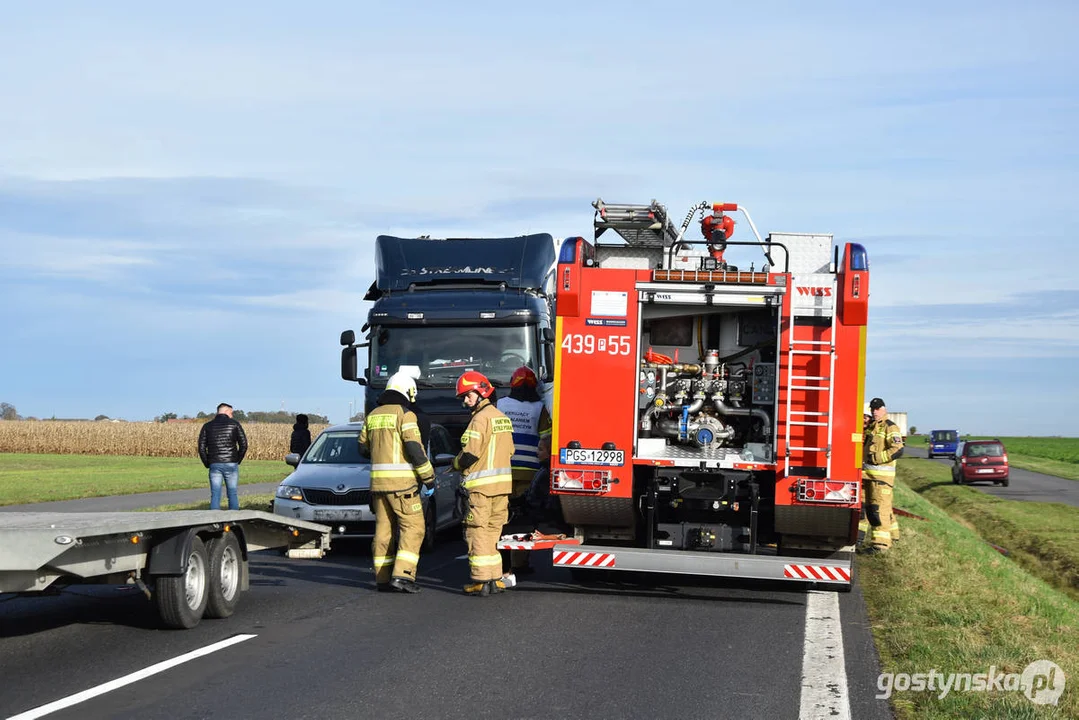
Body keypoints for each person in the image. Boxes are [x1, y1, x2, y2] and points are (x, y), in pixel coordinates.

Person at [358, 370, 436, 593]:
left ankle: (382, 578)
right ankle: (403, 576)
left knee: (384, 531)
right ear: (408, 391)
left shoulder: (372, 415)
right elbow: (415, 449)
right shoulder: (406, 415)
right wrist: (428, 478)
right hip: (403, 486)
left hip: (378, 487)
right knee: (414, 528)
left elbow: (362, 447)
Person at [454, 370, 515, 596]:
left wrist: (455, 463)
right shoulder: (502, 418)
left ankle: (480, 581)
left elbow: (470, 454)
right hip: (502, 488)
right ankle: (494, 579)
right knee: (492, 533)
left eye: (467, 396)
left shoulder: (479, 420)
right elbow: (510, 451)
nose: (464, 401)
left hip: (480, 489)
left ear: (480, 392)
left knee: (476, 532)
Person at [496, 366, 552, 581]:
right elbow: (546, 438)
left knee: (502, 515)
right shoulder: (540, 408)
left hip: (503, 470)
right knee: (524, 517)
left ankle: (501, 559)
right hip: (529, 471)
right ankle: (521, 563)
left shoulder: (500, 405)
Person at [859, 397, 904, 555]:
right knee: (870, 510)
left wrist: (876, 458)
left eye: (877, 409)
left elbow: (898, 449)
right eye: (873, 409)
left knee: (880, 511)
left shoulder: (890, 427)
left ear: (884, 409)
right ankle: (886, 539)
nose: (874, 411)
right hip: (869, 477)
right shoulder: (873, 427)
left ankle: (881, 546)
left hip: (881, 479)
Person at [197, 403, 248, 510]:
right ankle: (233, 519)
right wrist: (237, 460)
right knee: (232, 493)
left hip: (215, 463)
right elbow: (244, 445)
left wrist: (207, 462)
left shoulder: (207, 426)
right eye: (231, 412)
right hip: (231, 463)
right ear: (225, 411)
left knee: (215, 494)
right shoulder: (235, 424)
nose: (232, 415)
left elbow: (201, 448)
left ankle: (215, 520)